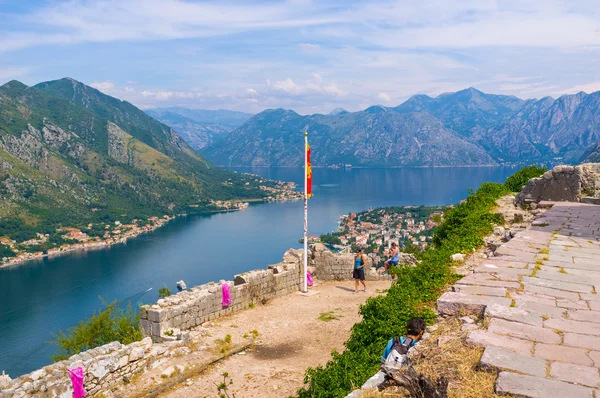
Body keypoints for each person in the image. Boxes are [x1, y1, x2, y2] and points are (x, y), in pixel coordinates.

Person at [359, 317, 426, 392]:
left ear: (407, 330)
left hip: (387, 376)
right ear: (421, 332)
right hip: (404, 382)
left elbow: (383, 363)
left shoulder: (393, 341)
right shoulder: (419, 345)